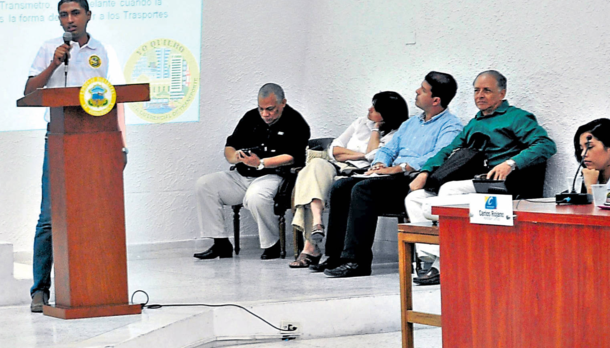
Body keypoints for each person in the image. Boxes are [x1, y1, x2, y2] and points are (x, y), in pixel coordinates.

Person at [404, 70, 557, 285]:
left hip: (503, 186)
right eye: (476, 90)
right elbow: (447, 151)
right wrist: (425, 172)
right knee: (415, 198)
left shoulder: (517, 117)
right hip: (473, 183)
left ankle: (443, 264)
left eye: (487, 90)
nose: (480, 96)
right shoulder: (474, 123)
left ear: (502, 93)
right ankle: (431, 259)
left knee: (448, 191)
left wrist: (510, 163)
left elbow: (546, 145)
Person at [24, 0, 124, 313]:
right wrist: (55, 63)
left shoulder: (104, 51)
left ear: (88, 15)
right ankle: (40, 290)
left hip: (97, 142)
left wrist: (121, 143)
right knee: (49, 217)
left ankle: (96, 285)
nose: (70, 20)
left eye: (75, 13)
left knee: (95, 215)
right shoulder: (49, 49)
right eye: (64, 14)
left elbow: (118, 97)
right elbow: (29, 90)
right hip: (58, 140)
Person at [322, 72, 462, 278]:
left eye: (423, 90)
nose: (417, 91)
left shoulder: (451, 126)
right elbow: (388, 149)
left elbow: (438, 156)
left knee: (363, 189)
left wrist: (400, 167)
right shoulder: (411, 123)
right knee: (341, 186)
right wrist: (380, 163)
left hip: (413, 180)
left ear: (435, 100)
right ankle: (335, 256)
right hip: (390, 178)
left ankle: (356, 261)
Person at [289, 91, 408, 268]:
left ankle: (311, 247)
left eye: (375, 108)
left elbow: (375, 157)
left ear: (386, 115)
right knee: (313, 167)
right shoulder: (360, 123)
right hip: (339, 166)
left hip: (360, 173)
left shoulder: (397, 133)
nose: (369, 109)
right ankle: (317, 223)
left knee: (327, 186)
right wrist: (362, 155)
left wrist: (375, 131)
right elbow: (334, 150)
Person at [194, 83, 310, 260]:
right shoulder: (250, 117)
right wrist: (235, 157)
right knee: (205, 185)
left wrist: (261, 163)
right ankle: (221, 243)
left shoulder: (296, 122)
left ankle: (272, 244)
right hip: (242, 174)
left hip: (272, 175)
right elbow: (230, 145)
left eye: (270, 109)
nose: (265, 114)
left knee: (256, 196)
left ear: (283, 103)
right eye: (261, 109)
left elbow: (293, 157)